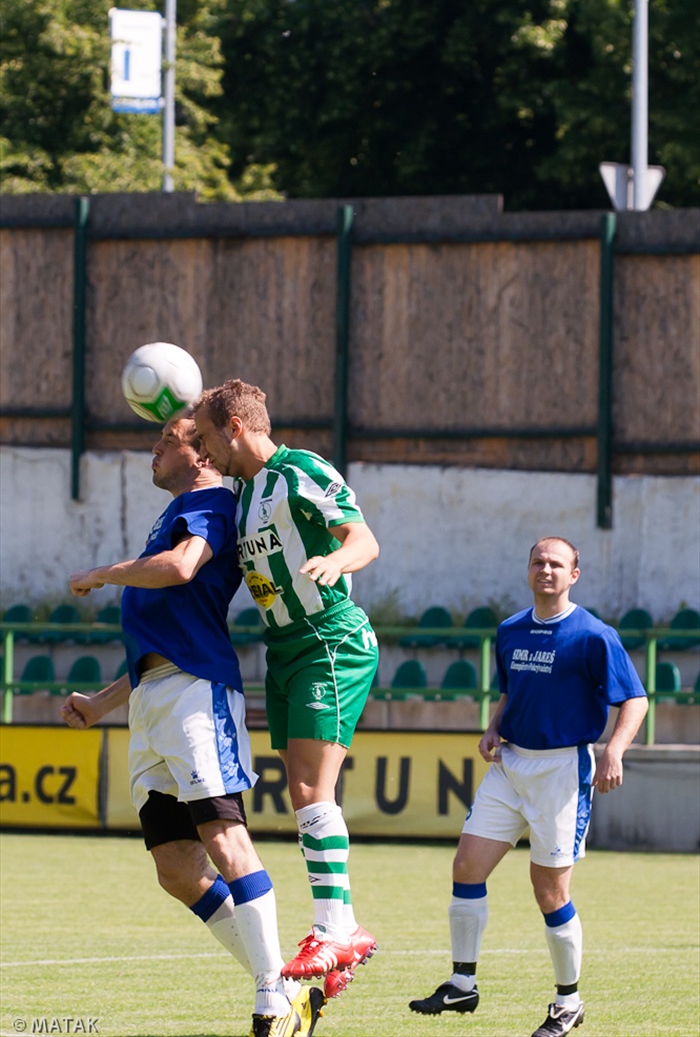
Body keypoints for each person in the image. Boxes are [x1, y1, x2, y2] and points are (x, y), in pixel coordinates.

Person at [59, 414, 325, 1037]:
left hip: (196, 697)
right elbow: (164, 631)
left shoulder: (206, 503)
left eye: (166, 441)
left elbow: (181, 568)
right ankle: (286, 991)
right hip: (155, 696)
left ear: (201, 453)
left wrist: (103, 573)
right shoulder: (178, 507)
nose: (153, 451)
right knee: (176, 867)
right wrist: (104, 701)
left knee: (225, 841)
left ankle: (271, 1003)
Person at [409, 536, 649, 1037]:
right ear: (528, 569)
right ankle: (461, 984)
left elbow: (637, 701)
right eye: (538, 562)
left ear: (574, 575)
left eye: (556, 564)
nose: (546, 570)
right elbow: (510, 690)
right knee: (467, 866)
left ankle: (568, 1003)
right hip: (509, 764)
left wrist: (614, 750)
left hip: (561, 771)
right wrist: (495, 725)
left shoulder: (593, 635)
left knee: (549, 889)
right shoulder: (510, 630)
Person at [193, 380, 380, 1000]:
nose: (205, 452)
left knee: (309, 787)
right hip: (284, 648)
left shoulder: (300, 470)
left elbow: (363, 538)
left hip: (329, 637)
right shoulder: (241, 494)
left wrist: (336, 563)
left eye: (209, 438)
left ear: (236, 428)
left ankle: (337, 927)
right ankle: (339, 930)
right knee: (300, 790)